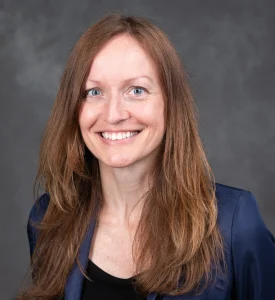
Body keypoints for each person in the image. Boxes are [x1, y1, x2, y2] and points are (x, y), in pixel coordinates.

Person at [19, 13, 275, 300]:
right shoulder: (49, 220)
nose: (113, 114)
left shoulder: (234, 225)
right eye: (93, 92)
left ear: (170, 104)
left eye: (137, 90)